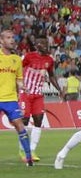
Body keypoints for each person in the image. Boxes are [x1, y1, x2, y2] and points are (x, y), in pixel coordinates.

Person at [19, 34, 63, 162]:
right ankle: (23, 150)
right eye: (43, 44)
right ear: (37, 45)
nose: (46, 46)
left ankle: (32, 151)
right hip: (26, 93)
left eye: (47, 44)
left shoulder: (49, 60)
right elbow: (19, 70)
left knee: (38, 120)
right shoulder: (28, 57)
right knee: (25, 120)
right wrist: (19, 85)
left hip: (38, 95)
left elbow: (51, 76)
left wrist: (59, 90)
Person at [0, 29, 35, 165]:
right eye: (8, 38)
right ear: (1, 41)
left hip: (10, 99)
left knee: (20, 126)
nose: (12, 40)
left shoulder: (16, 59)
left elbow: (19, 79)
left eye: (13, 37)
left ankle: (28, 158)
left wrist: (22, 86)